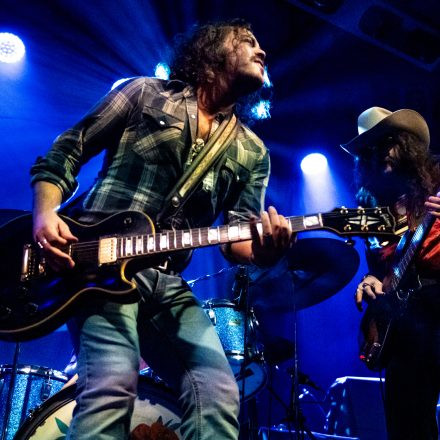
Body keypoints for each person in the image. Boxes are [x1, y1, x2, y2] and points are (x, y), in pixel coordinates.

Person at [30, 19, 293, 440]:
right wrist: (45, 215)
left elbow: (238, 239)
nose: (261, 51)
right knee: (111, 386)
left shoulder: (253, 151)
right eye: (247, 41)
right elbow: (69, 147)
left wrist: (266, 251)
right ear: (211, 54)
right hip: (97, 265)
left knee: (220, 392)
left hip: (165, 283)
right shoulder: (144, 92)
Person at [341, 106, 440, 440]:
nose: (379, 152)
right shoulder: (368, 207)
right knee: (408, 425)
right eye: (370, 148)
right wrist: (371, 281)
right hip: (406, 327)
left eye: (388, 141)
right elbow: (382, 270)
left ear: (407, 144)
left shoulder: (437, 179)